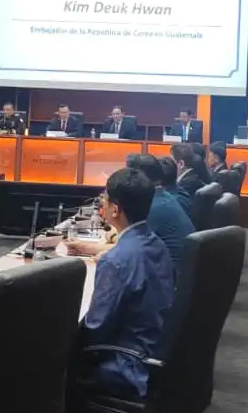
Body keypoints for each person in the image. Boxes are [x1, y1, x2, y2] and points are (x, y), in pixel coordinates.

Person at [68, 168, 175, 402]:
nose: (102, 203)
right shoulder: (157, 244)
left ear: (115, 209)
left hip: (127, 366)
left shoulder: (116, 261)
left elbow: (95, 331)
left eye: (104, 199)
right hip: (154, 352)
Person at [68, 155, 195, 269]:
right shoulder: (162, 197)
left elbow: (129, 249)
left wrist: (86, 247)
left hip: (168, 277)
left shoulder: (152, 206)